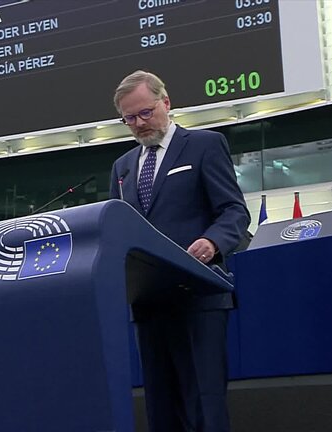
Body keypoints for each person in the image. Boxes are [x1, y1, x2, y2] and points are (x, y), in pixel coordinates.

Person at [109, 70, 250, 432]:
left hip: (198, 295)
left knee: (203, 401)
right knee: (159, 403)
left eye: (145, 112)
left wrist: (214, 241)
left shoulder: (204, 145)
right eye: (129, 118)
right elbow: (117, 230)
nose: (139, 124)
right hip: (148, 302)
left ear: (166, 103)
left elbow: (234, 210)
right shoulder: (122, 167)